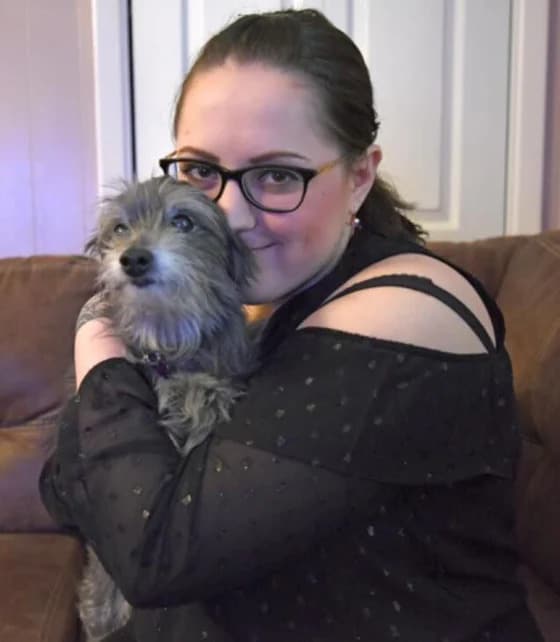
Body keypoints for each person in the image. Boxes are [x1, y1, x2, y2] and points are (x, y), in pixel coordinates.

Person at [40, 9, 543, 642]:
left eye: (277, 175)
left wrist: (97, 336)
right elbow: (62, 487)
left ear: (360, 177)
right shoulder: (250, 305)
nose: (229, 215)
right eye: (200, 171)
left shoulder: (409, 311)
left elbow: (153, 552)